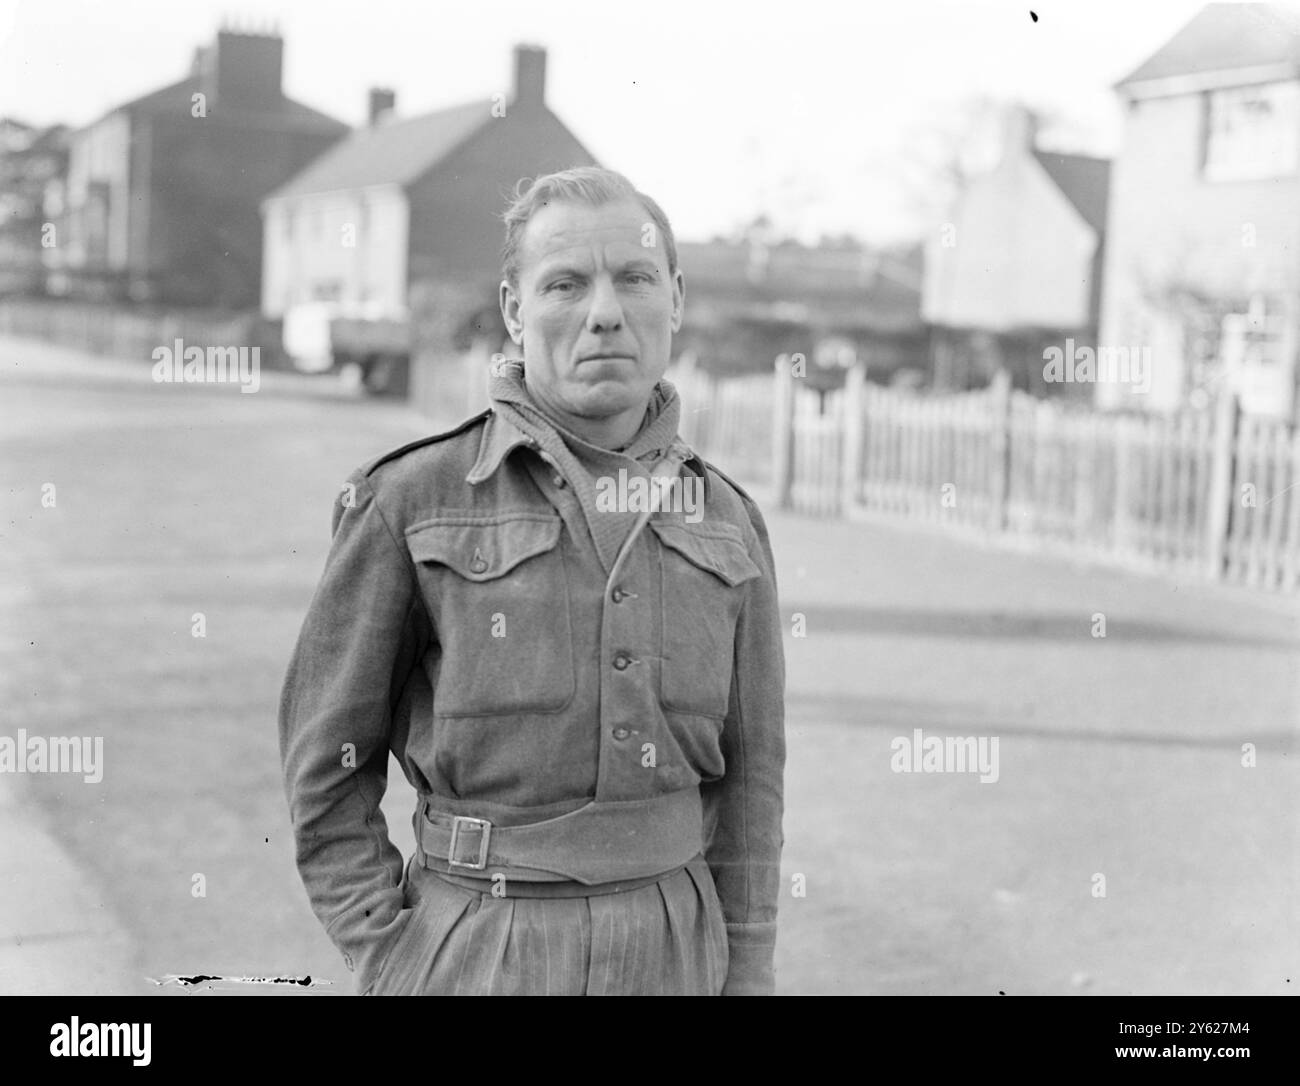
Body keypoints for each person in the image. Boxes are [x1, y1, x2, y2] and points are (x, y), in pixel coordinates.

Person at [278, 166, 786, 995]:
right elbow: (325, 768)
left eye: (634, 278)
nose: (604, 313)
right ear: (515, 310)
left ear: (676, 299)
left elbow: (752, 782)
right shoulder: (411, 497)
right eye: (564, 284)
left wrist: (748, 970)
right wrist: (390, 955)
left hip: (678, 953)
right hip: (476, 943)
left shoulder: (729, 520)